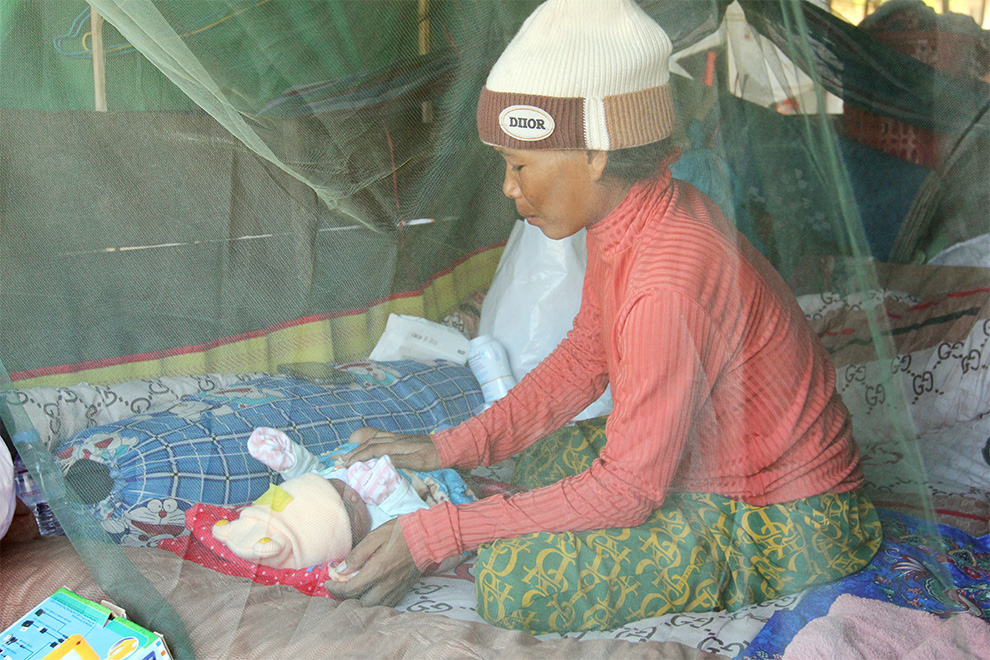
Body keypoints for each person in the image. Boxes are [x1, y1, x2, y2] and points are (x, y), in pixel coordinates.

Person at [326, 0, 882, 633]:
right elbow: (583, 360)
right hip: (710, 458)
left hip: (792, 514)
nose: (509, 188)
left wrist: (438, 534)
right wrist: (450, 447)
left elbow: (626, 492)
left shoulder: (666, 278)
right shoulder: (630, 218)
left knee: (513, 583)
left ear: (594, 154)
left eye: (519, 165)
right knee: (541, 460)